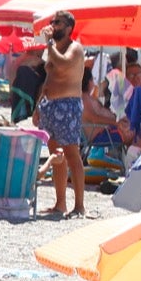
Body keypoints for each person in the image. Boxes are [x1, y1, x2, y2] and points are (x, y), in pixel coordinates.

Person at [37, 11, 87, 217]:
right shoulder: (53, 49)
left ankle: (80, 205)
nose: (53, 25)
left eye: (57, 23)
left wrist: (48, 45)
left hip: (68, 106)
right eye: (52, 22)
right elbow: (48, 77)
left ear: (68, 28)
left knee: (72, 154)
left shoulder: (75, 48)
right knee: (56, 155)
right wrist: (38, 105)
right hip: (50, 105)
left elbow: (63, 64)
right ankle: (60, 203)